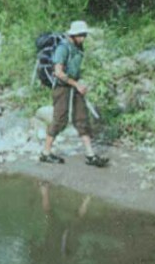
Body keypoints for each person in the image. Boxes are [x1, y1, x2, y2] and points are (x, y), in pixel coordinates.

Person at [39, 20, 108, 167]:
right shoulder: (63, 49)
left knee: (82, 118)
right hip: (62, 87)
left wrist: (78, 84)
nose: (84, 38)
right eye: (81, 35)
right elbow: (58, 72)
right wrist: (76, 84)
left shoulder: (78, 46)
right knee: (60, 120)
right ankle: (45, 153)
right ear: (74, 34)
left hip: (74, 86)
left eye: (84, 35)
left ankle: (90, 155)